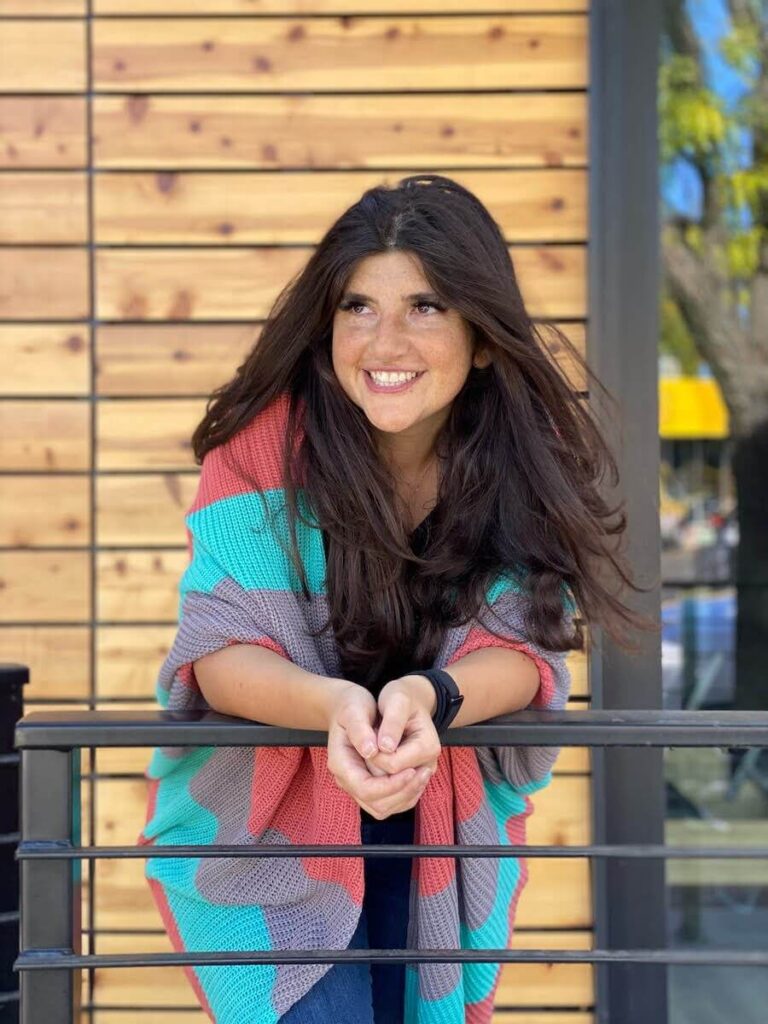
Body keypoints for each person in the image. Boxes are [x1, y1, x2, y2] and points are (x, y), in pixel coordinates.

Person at [139, 174, 654, 1024]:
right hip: (271, 826)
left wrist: (429, 697)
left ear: (482, 338)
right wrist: (334, 707)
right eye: (357, 307)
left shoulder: (524, 455)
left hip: (439, 821)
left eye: (426, 307)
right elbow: (220, 649)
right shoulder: (264, 446)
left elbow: (522, 653)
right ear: (327, 324)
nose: (385, 341)